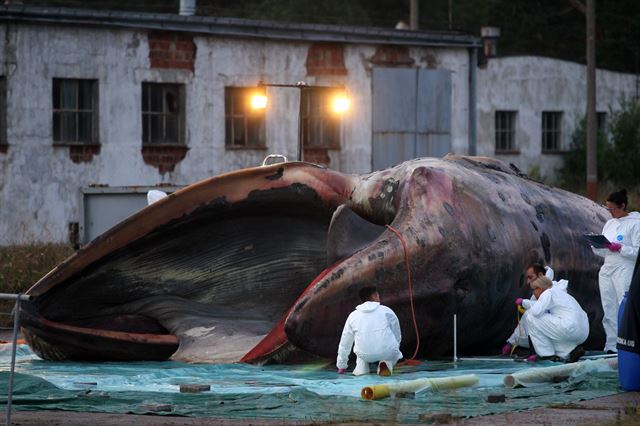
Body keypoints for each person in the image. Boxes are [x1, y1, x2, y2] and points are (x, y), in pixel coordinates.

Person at [591, 189, 640, 353]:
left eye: (613, 209)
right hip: (607, 267)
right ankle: (611, 345)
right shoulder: (610, 223)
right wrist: (597, 246)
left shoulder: (636, 223)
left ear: (623, 206)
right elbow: (604, 250)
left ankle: (627, 344)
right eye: (608, 209)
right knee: (608, 306)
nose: (610, 212)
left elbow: (637, 252)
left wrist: (621, 248)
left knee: (623, 306)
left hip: (624, 267)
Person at [516, 275, 589, 362]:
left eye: (533, 290)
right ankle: (571, 352)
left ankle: (546, 355)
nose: (533, 293)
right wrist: (524, 302)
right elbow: (539, 305)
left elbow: (536, 311)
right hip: (583, 332)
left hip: (569, 328)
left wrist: (524, 305)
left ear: (540, 288)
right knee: (550, 331)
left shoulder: (548, 292)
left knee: (530, 316)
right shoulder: (560, 293)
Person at [502, 264, 568, 355]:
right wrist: (511, 342)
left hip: (562, 332)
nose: (528, 282)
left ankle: (545, 353)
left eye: (530, 277)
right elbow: (524, 322)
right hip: (563, 333)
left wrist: (525, 303)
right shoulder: (539, 294)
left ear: (540, 275)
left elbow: (535, 312)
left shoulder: (556, 289)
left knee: (532, 316)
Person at [336, 286, 403, 376]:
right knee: (389, 349)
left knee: (360, 354)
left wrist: (341, 365)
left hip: (364, 353)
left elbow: (345, 342)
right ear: (375, 296)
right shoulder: (387, 311)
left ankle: (361, 369)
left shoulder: (353, 315)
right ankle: (386, 363)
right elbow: (397, 334)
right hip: (386, 351)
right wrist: (395, 349)